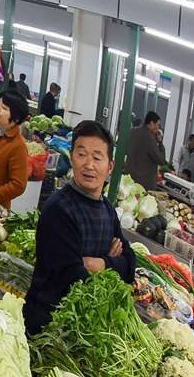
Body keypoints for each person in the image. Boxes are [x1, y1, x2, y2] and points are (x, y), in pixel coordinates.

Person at [24, 121, 137, 333]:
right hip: (47, 328)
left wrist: (100, 264)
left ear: (110, 167)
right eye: (81, 154)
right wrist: (113, 263)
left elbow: (130, 265)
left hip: (82, 329)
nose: (89, 165)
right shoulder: (59, 209)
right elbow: (73, 278)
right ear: (72, 158)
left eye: (97, 157)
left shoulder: (107, 210)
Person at [123, 111, 166, 191]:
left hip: (129, 179)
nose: (158, 128)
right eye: (158, 125)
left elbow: (125, 150)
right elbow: (161, 160)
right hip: (143, 185)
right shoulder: (149, 138)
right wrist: (160, 142)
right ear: (151, 123)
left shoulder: (132, 132)